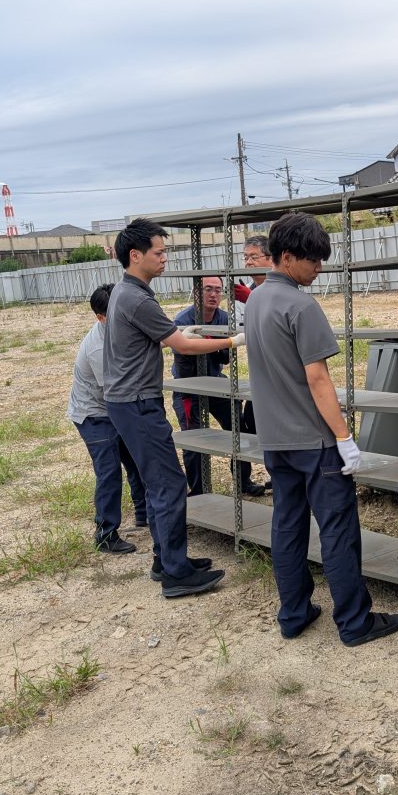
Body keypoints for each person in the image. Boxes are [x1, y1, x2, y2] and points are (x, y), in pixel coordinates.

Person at [244, 213, 398, 647]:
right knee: (338, 532)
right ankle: (355, 622)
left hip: (275, 439)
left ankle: (293, 613)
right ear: (289, 257)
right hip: (314, 440)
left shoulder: (256, 300)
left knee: (288, 525)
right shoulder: (300, 305)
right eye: (313, 260)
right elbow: (318, 379)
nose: (319, 268)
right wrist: (345, 438)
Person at [104, 218, 246, 599]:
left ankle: (165, 558)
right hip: (137, 404)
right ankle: (176, 574)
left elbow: (167, 337)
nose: (164, 258)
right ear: (136, 256)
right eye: (159, 252)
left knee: (158, 483)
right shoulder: (136, 297)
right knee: (169, 484)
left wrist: (189, 334)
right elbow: (180, 346)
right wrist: (232, 341)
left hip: (127, 402)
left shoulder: (126, 292)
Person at [66, 283, 146, 555]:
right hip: (94, 414)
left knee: (136, 459)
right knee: (109, 471)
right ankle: (106, 534)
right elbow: (115, 390)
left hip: (112, 408)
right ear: (101, 317)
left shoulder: (119, 331)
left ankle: (144, 513)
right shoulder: (98, 348)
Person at [171, 275, 266, 497]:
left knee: (238, 428)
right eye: (207, 289)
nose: (213, 294)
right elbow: (184, 358)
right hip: (189, 387)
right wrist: (214, 344)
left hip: (216, 379)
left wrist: (210, 343)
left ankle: (243, 481)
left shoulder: (224, 318)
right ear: (196, 292)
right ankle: (199, 491)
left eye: (217, 290)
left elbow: (225, 357)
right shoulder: (183, 319)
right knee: (193, 439)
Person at [232, 235, 272, 491]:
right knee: (253, 421)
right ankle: (276, 472)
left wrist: (250, 300)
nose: (247, 262)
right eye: (245, 257)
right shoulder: (249, 288)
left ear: (270, 259)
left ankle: (285, 477)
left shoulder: (281, 287)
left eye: (253, 256)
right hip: (259, 372)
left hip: (280, 374)